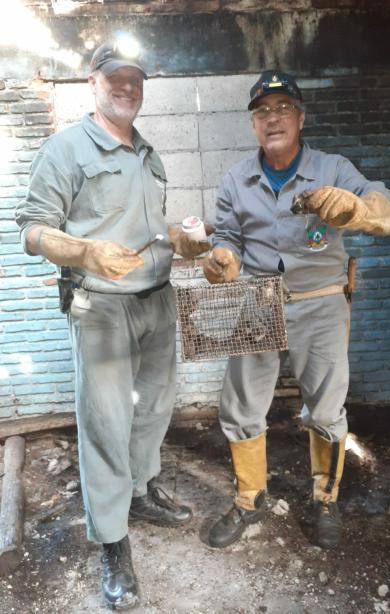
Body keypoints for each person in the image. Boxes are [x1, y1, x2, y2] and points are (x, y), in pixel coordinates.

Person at [15, 36, 211, 609]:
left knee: (152, 409)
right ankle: (113, 541)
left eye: (135, 79)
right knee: (104, 424)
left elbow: (151, 227)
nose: (126, 86)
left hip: (157, 300)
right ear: (93, 82)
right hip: (100, 307)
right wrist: (81, 254)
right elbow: (30, 230)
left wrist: (186, 242)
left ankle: (142, 489)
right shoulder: (66, 150)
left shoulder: (149, 153)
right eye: (114, 77)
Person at [202, 70, 390, 551]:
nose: (273, 119)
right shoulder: (236, 178)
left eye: (283, 109)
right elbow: (227, 236)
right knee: (242, 403)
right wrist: (222, 257)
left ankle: (323, 499)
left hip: (320, 303)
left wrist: (357, 210)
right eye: (262, 112)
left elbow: (387, 208)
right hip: (256, 300)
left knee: (327, 406)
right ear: (253, 124)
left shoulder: (332, 168)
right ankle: (250, 499)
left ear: (300, 118)